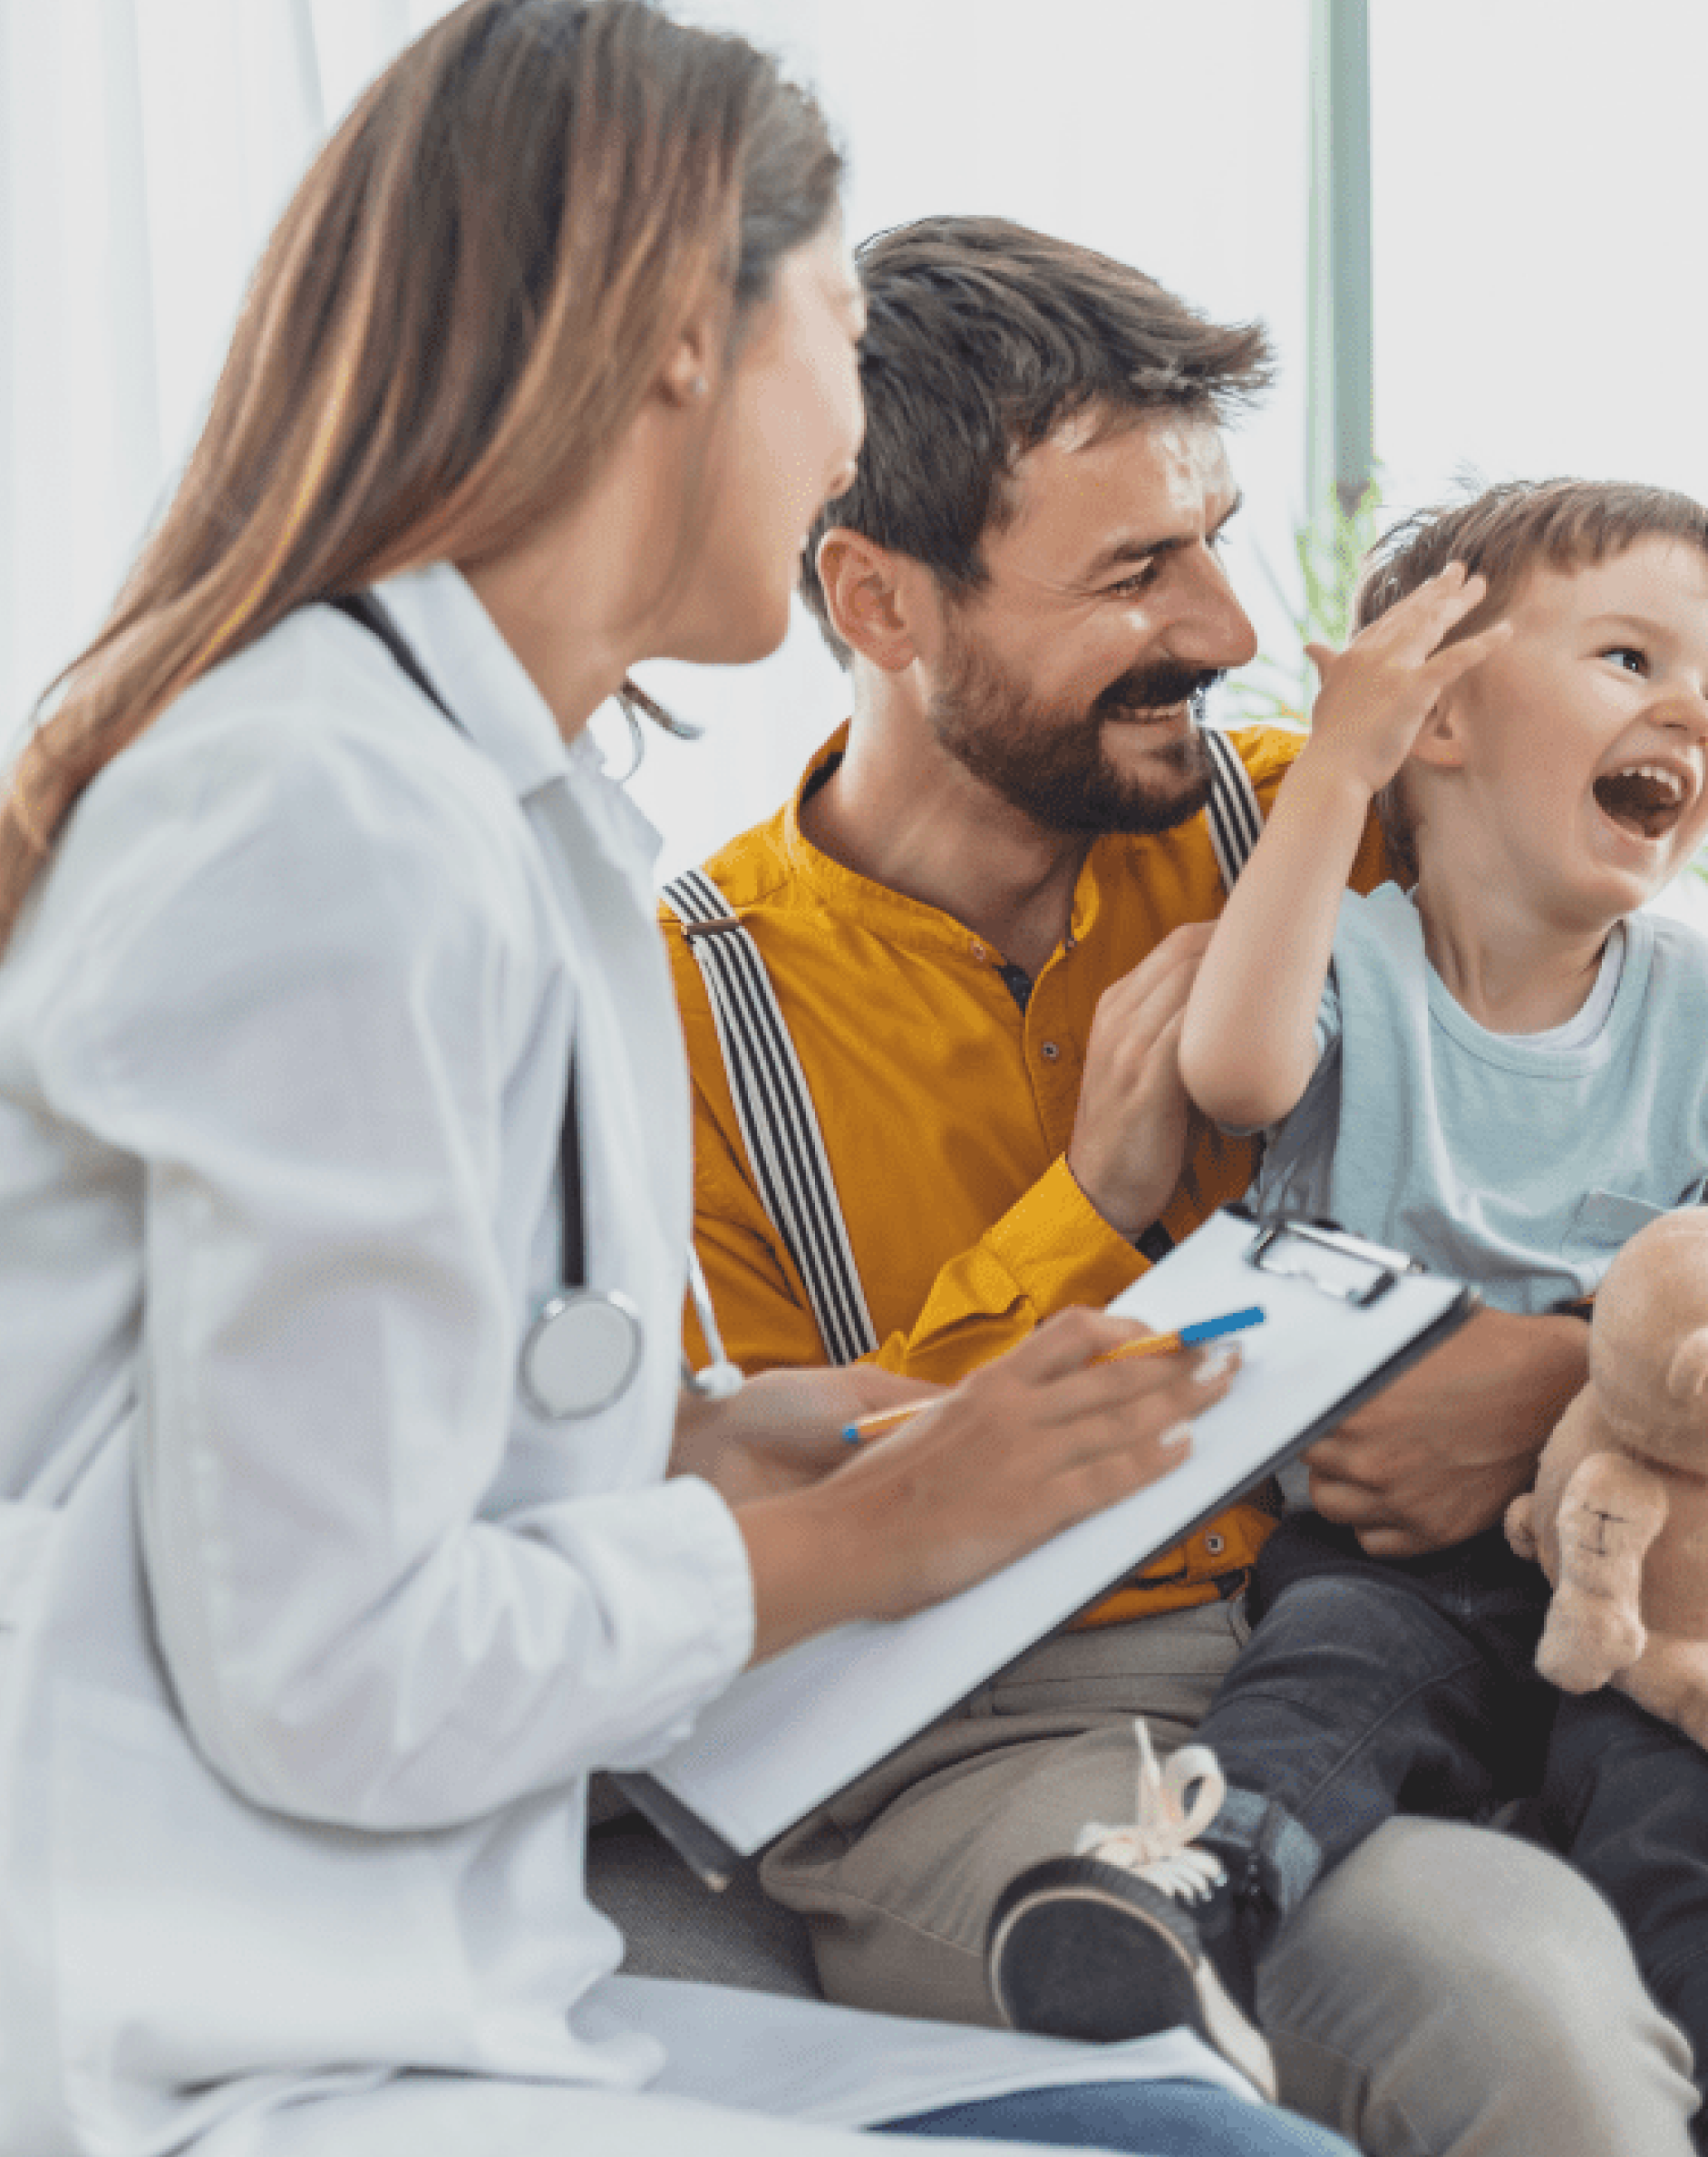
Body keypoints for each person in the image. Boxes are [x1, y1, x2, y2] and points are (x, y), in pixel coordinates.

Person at [0, 10, 1374, 2157]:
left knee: (1198, 2134)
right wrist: (872, 1537)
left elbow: (354, 1447)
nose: (850, 436)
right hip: (224, 2048)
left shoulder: (501, 810)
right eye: (834, 329)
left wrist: (711, 1433)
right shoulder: (324, 827)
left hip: (451, 2006)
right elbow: (327, 1663)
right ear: (671, 345)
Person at [663, 215, 1708, 2157]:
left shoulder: (1350, 818)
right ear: (880, 602)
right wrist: (1102, 1203)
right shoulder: (686, 1011)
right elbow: (753, 1525)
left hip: (1530, 1616)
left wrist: (1559, 1379)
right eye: (1140, 570)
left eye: (1213, 538)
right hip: (1011, 1730)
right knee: (1526, 2005)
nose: (1230, 627)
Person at [985, 479, 1708, 2157]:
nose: (1686, 715)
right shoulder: (1351, 966)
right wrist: (1335, 761)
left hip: (1657, 1560)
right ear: (1437, 721)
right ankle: (1173, 1898)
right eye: (1629, 653)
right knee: (1319, 1697)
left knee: (1700, 1827)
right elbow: (1235, 1071)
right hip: (1390, 1555)